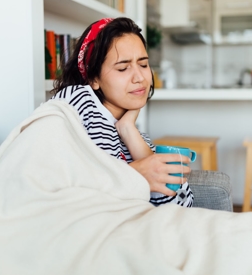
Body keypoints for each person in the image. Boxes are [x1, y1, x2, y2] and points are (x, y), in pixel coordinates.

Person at [50, 17, 194, 207]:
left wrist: (128, 130)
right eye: (123, 68)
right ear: (94, 79)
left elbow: (181, 206)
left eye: (143, 65)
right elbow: (79, 197)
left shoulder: (131, 135)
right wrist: (135, 174)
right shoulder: (76, 100)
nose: (140, 77)